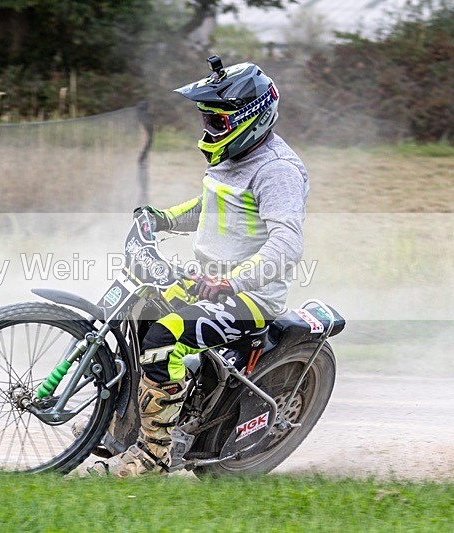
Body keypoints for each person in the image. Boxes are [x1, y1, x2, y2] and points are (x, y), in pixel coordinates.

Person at [89, 57, 310, 477]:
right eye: (206, 120)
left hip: (249, 298)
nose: (208, 129)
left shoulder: (276, 170)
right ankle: (127, 427)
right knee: (138, 316)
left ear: (251, 119)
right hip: (207, 282)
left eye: (216, 121)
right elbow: (210, 207)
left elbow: (287, 244)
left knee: (163, 336)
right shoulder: (234, 155)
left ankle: (153, 458)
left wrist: (231, 280)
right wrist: (163, 219)